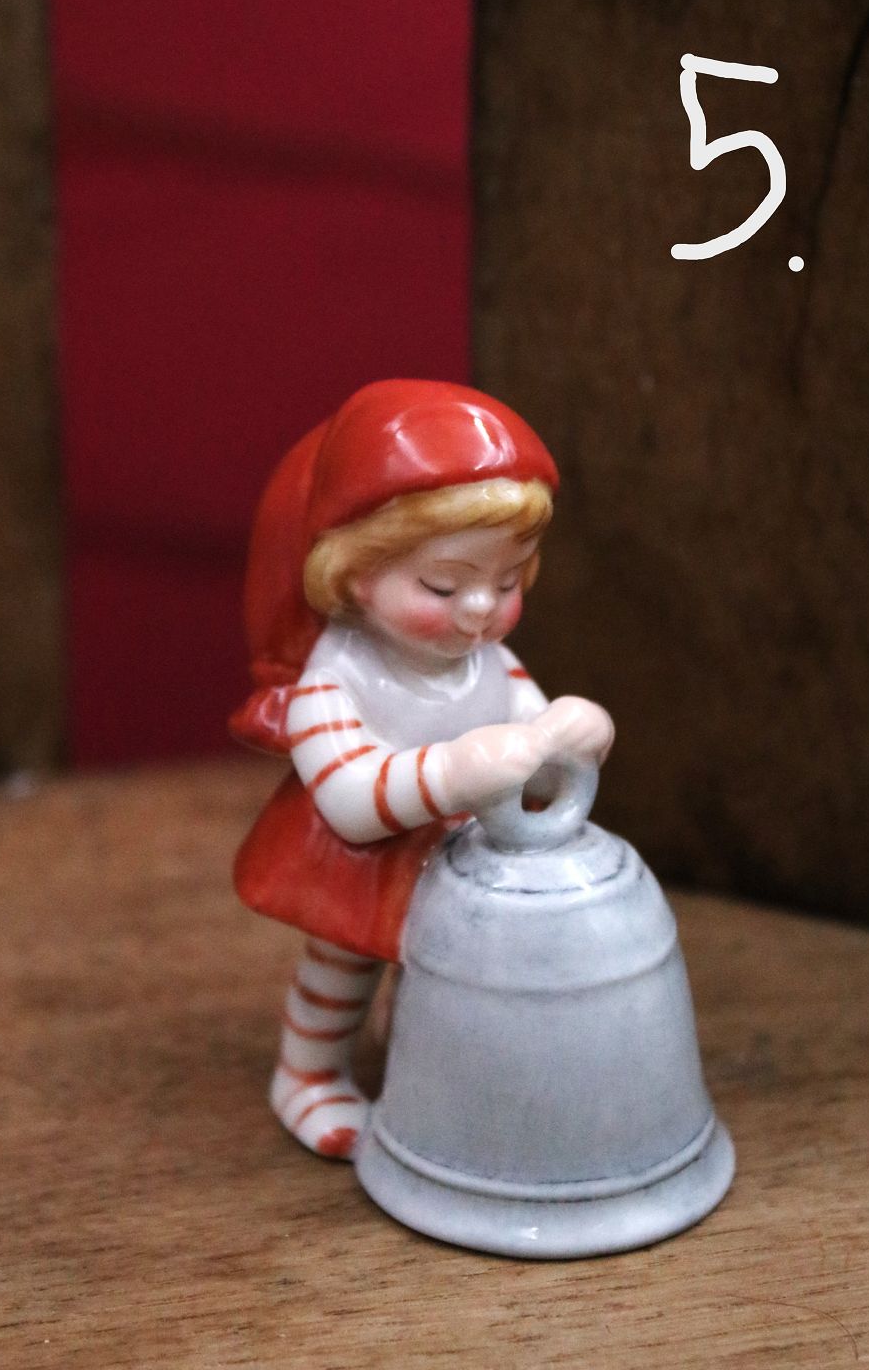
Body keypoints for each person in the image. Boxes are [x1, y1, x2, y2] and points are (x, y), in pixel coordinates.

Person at [230, 380, 614, 1159]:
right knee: (342, 967)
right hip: (367, 860)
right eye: (443, 584)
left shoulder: (488, 663)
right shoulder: (334, 681)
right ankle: (306, 1074)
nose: (480, 609)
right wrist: (453, 771)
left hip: (466, 856)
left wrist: (572, 734)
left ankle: (421, 1064)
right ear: (354, 574)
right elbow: (348, 799)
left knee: (444, 973)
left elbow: (535, 747)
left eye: (507, 581)